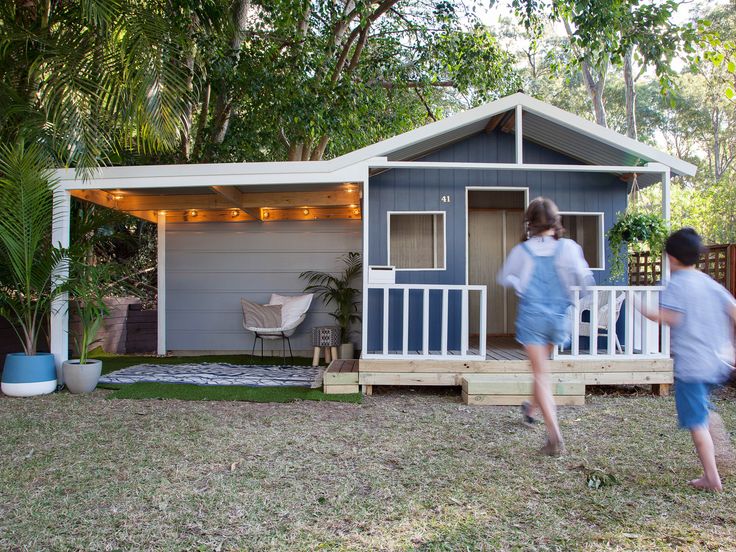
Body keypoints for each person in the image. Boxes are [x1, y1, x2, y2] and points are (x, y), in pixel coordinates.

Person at [639, 227, 736, 492]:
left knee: (696, 423)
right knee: (704, 410)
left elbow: (671, 317)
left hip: (692, 367)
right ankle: (722, 449)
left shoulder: (677, 283)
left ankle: (712, 477)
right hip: (715, 363)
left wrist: (646, 310)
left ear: (670, 258)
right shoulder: (708, 282)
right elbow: (733, 310)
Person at [498, 197, 594, 456]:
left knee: (541, 373)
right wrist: (581, 297)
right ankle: (530, 409)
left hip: (533, 316)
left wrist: (520, 286)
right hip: (558, 316)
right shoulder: (568, 248)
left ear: (529, 222)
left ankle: (555, 437)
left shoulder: (522, 250)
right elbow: (586, 280)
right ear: (555, 221)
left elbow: (505, 276)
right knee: (541, 368)